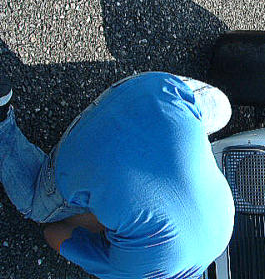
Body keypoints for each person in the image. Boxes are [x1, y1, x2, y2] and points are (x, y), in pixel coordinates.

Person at [0, 72, 235, 278]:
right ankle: (2, 124)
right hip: (91, 142)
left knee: (221, 110)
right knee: (37, 207)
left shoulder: (223, 233)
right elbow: (54, 234)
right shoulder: (137, 273)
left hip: (152, 89)